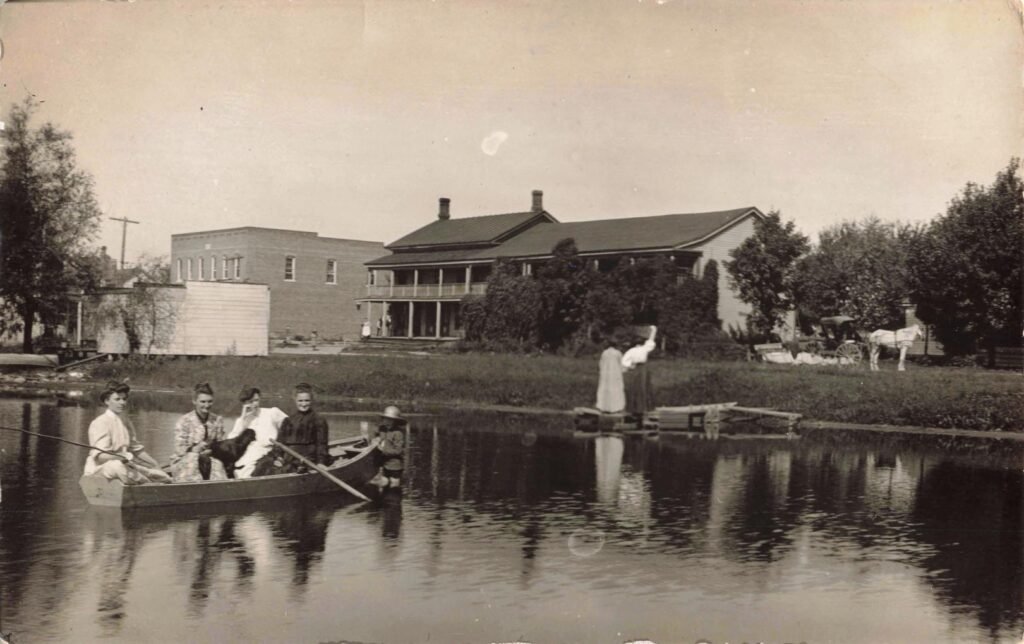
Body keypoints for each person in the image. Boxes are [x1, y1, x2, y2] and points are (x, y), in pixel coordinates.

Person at [83, 381, 171, 485]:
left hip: (124, 466)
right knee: (117, 466)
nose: (122, 403)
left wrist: (155, 464)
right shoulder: (100, 422)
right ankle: (148, 484)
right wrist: (121, 456)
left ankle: (150, 482)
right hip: (101, 470)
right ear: (107, 401)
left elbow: (136, 450)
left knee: (163, 477)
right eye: (117, 399)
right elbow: (100, 457)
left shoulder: (125, 421)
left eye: (124, 399)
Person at [252, 383, 331, 476]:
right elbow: (280, 442)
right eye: (300, 401)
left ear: (312, 400)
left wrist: (321, 462)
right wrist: (279, 457)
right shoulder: (288, 420)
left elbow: (322, 444)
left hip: (308, 456)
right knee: (262, 465)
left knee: (292, 469)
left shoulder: (319, 420)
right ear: (295, 400)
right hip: (288, 455)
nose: (304, 404)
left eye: (307, 400)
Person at [225, 386, 288, 479]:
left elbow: (290, 425)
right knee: (241, 470)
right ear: (244, 404)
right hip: (250, 453)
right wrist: (243, 419)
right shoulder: (242, 420)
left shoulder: (271, 413)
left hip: (270, 451)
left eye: (256, 400)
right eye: (250, 402)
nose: (255, 404)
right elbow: (230, 442)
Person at [170, 382, 228, 482]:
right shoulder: (184, 421)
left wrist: (212, 450)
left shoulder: (217, 420)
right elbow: (179, 449)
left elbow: (222, 445)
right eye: (203, 402)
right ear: (194, 401)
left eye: (210, 401)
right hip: (186, 459)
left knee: (219, 472)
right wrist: (194, 449)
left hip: (210, 458)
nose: (207, 405)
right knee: (192, 466)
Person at [621, 325, 658, 427]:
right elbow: (651, 341)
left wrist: (630, 366)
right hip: (643, 369)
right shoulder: (644, 349)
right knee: (644, 388)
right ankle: (643, 409)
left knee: (635, 388)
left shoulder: (631, 351)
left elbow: (624, 362)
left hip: (637, 369)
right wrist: (653, 331)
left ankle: (635, 409)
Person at [370, 405, 406, 488]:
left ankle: (394, 494)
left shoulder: (398, 433)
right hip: (384, 463)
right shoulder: (382, 429)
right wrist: (375, 439)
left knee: (394, 485)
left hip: (395, 465)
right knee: (384, 484)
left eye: (389, 419)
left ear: (395, 421)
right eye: (385, 418)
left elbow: (398, 451)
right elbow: (377, 436)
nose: (386, 421)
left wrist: (383, 450)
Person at [595, 331, 629, 414]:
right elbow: (622, 364)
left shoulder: (604, 353)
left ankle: (604, 407)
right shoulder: (618, 353)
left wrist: (602, 371)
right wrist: (625, 369)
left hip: (606, 374)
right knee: (616, 389)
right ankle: (616, 407)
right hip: (615, 374)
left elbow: (601, 364)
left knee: (605, 388)